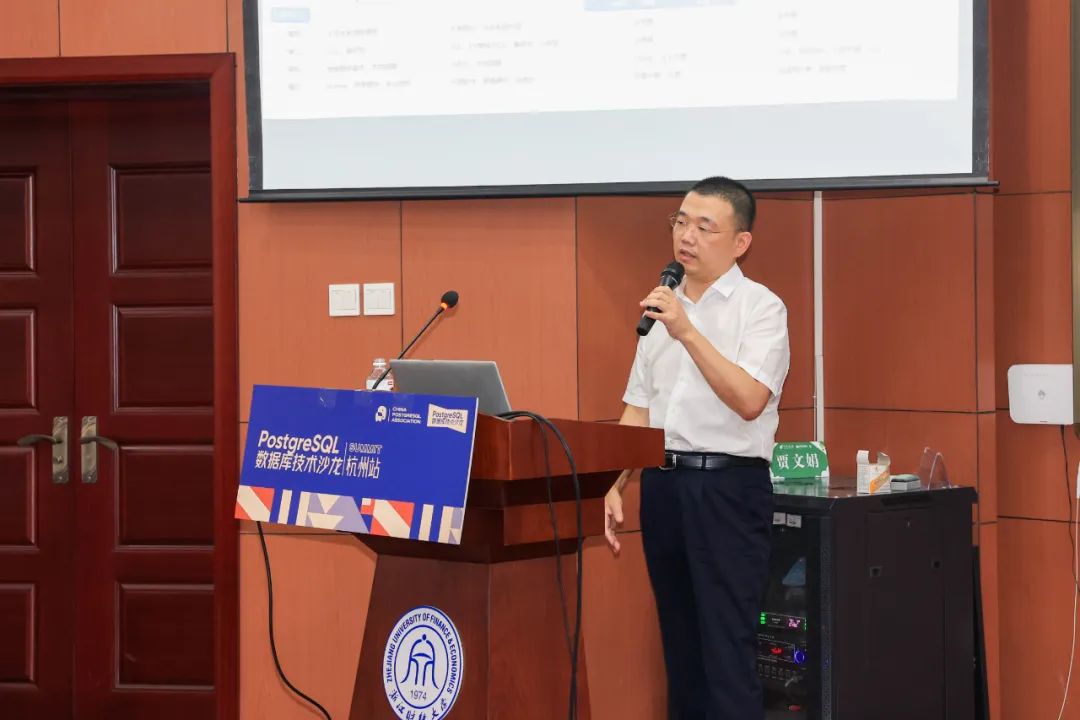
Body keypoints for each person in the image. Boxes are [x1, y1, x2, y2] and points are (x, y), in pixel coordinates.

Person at [604, 176, 790, 720]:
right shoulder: (660, 309)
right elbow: (639, 410)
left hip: (728, 490)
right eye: (681, 222)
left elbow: (750, 399)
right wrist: (614, 483)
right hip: (664, 488)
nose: (686, 236)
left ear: (740, 242)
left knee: (726, 653)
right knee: (681, 652)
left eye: (705, 227)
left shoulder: (761, 309)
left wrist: (686, 330)